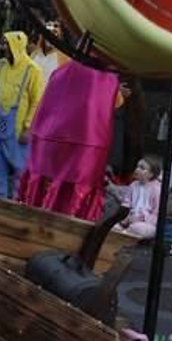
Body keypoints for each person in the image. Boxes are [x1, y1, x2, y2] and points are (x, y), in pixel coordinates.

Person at [16, 58, 120, 220]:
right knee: (71, 187)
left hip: (60, 137)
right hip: (85, 141)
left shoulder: (64, 71)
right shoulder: (107, 79)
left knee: (47, 184)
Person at [0, 31, 44, 197]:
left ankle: (19, 202)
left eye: (7, 44)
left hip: (18, 131)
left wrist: (28, 128)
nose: (4, 48)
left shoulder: (33, 71)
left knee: (21, 170)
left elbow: (37, 102)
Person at [112, 156, 163, 241]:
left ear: (151, 174)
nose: (137, 169)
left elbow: (157, 213)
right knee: (113, 227)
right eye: (137, 166)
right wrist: (125, 217)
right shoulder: (133, 185)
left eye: (142, 168)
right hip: (130, 220)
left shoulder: (157, 189)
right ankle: (124, 233)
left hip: (147, 224)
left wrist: (142, 218)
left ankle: (124, 234)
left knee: (138, 228)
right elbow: (126, 204)